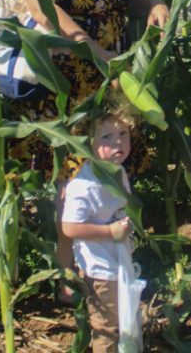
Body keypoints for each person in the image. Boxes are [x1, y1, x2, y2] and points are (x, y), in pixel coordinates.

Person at [9, 0, 169, 297]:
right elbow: (40, 5)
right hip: (60, 77)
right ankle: (66, 279)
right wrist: (92, 49)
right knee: (71, 174)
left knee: (103, 170)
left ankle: (104, 269)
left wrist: (152, 6)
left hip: (107, 75)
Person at [61, 100, 138, 353]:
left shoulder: (117, 171)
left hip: (119, 262)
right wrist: (109, 232)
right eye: (107, 136)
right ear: (87, 143)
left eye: (123, 134)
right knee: (106, 327)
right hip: (101, 270)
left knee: (123, 318)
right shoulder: (83, 185)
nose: (118, 142)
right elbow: (70, 228)